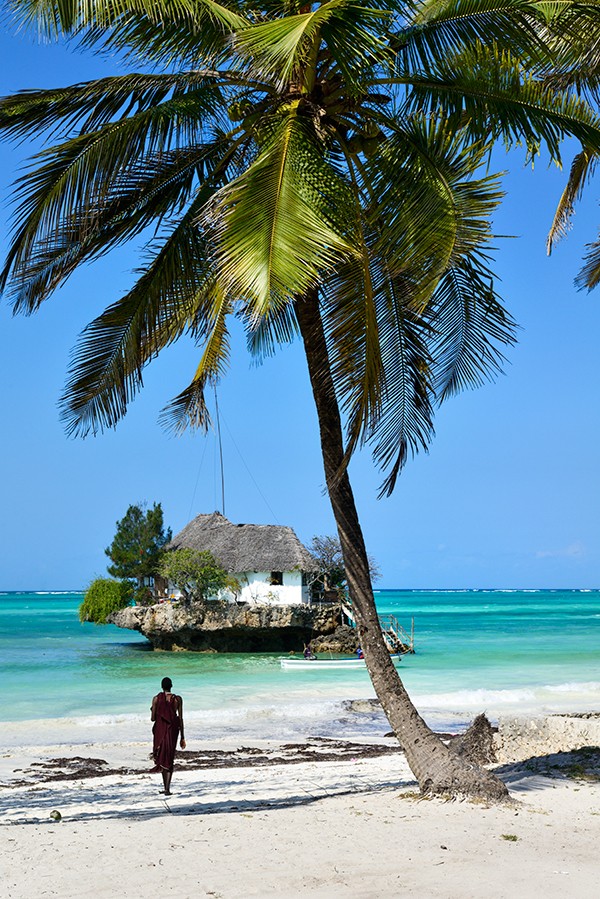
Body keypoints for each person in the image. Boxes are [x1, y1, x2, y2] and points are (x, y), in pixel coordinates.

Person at [150, 676, 186, 795]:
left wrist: (152, 710)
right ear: (171, 686)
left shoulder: (156, 699)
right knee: (169, 757)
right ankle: (167, 788)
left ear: (162, 686)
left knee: (162, 756)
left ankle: (166, 788)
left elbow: (153, 718)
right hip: (173, 730)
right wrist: (182, 737)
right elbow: (180, 718)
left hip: (160, 730)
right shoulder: (178, 699)